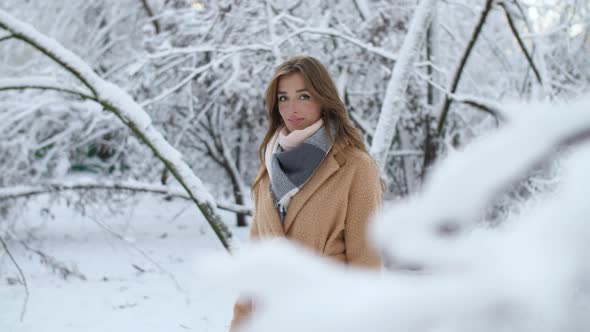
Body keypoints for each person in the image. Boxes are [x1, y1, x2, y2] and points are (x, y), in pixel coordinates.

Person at [229, 55, 382, 331]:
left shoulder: (356, 167)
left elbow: (366, 266)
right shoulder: (269, 166)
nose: (292, 108)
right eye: (283, 98)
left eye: (303, 96)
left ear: (323, 99)